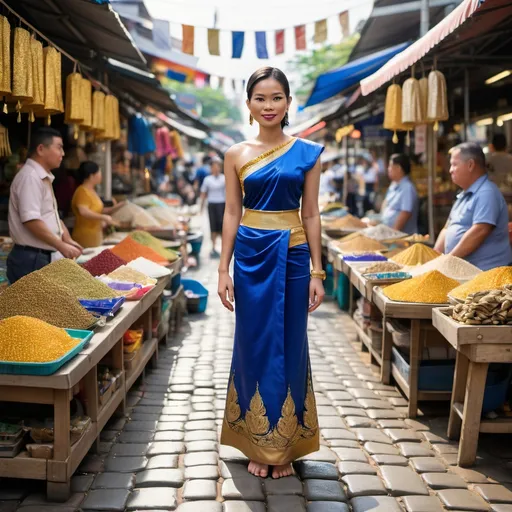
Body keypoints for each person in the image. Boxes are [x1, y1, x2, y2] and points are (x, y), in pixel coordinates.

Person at [218, 67, 324, 480]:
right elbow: (231, 211)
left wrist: (318, 271)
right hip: (248, 258)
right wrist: (223, 268)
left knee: (291, 343)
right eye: (260, 98)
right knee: (252, 342)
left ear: (288, 103)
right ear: (248, 105)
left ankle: (285, 445)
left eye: (276, 98)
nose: (268, 106)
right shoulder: (235, 154)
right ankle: (255, 440)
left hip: (295, 256)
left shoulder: (308, 152)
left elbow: (311, 213)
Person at [7, 128, 82, 284]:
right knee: (30, 308)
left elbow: (50, 214)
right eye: (59, 147)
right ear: (41, 149)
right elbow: (31, 220)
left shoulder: (42, 177)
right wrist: (60, 245)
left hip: (39, 256)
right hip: (30, 259)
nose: (62, 153)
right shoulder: (30, 177)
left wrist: (66, 238)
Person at [434, 142, 512, 270]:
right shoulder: (464, 194)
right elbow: (447, 228)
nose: (450, 170)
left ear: (470, 165)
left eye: (454, 164)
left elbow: (480, 230)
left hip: (487, 273)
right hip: (465, 270)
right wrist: (435, 257)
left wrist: (449, 260)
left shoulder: (487, 192)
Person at [71, 161, 123, 248]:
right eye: (99, 172)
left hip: (96, 234)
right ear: (91, 176)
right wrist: (103, 217)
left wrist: (117, 207)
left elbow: (98, 210)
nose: (101, 175)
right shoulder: (82, 191)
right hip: (85, 236)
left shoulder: (92, 191)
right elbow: (83, 211)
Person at [380, 154, 419, 234]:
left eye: (390, 166)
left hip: (399, 238)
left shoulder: (407, 187)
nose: (388, 169)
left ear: (398, 168)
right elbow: (386, 202)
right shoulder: (393, 184)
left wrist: (393, 234)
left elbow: (405, 213)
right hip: (386, 232)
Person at [200, 157, 226, 258]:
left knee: (222, 226)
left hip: (222, 204)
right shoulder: (207, 180)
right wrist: (201, 208)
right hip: (212, 205)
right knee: (213, 227)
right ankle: (213, 247)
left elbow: (228, 193)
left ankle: (224, 248)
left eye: (218, 166)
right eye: (214, 167)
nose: (216, 168)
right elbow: (203, 194)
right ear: (211, 168)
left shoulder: (224, 178)